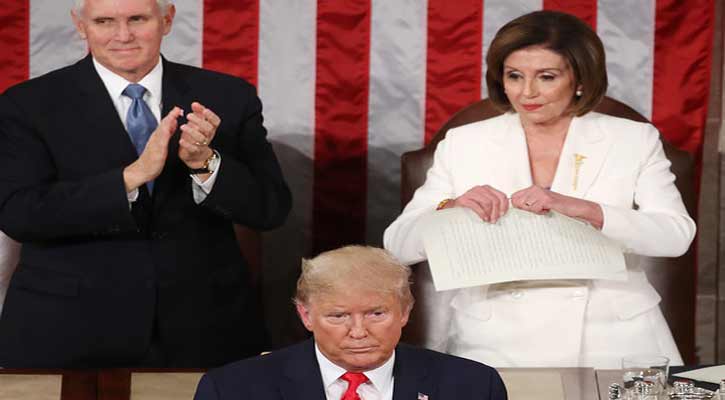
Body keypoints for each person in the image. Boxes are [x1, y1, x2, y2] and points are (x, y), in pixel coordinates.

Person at [383, 10, 696, 369]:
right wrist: (450, 208)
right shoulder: (464, 142)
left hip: (614, 338)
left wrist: (587, 210)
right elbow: (398, 244)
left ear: (580, 79)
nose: (527, 92)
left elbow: (676, 235)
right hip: (494, 341)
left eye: (546, 77)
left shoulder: (633, 139)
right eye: (514, 76)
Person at [0, 0, 291, 367]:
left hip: (207, 330)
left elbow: (270, 207)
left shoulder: (228, 96)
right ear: (80, 25)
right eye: (105, 21)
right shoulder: (27, 104)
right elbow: (19, 214)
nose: (123, 35)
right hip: (69, 332)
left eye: (137, 18)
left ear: (166, 20)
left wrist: (205, 164)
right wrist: (130, 178)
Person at [193, 245, 507, 400]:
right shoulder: (233, 390)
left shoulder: (473, 387)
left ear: (405, 311)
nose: (358, 332)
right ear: (306, 315)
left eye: (376, 313)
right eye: (338, 316)